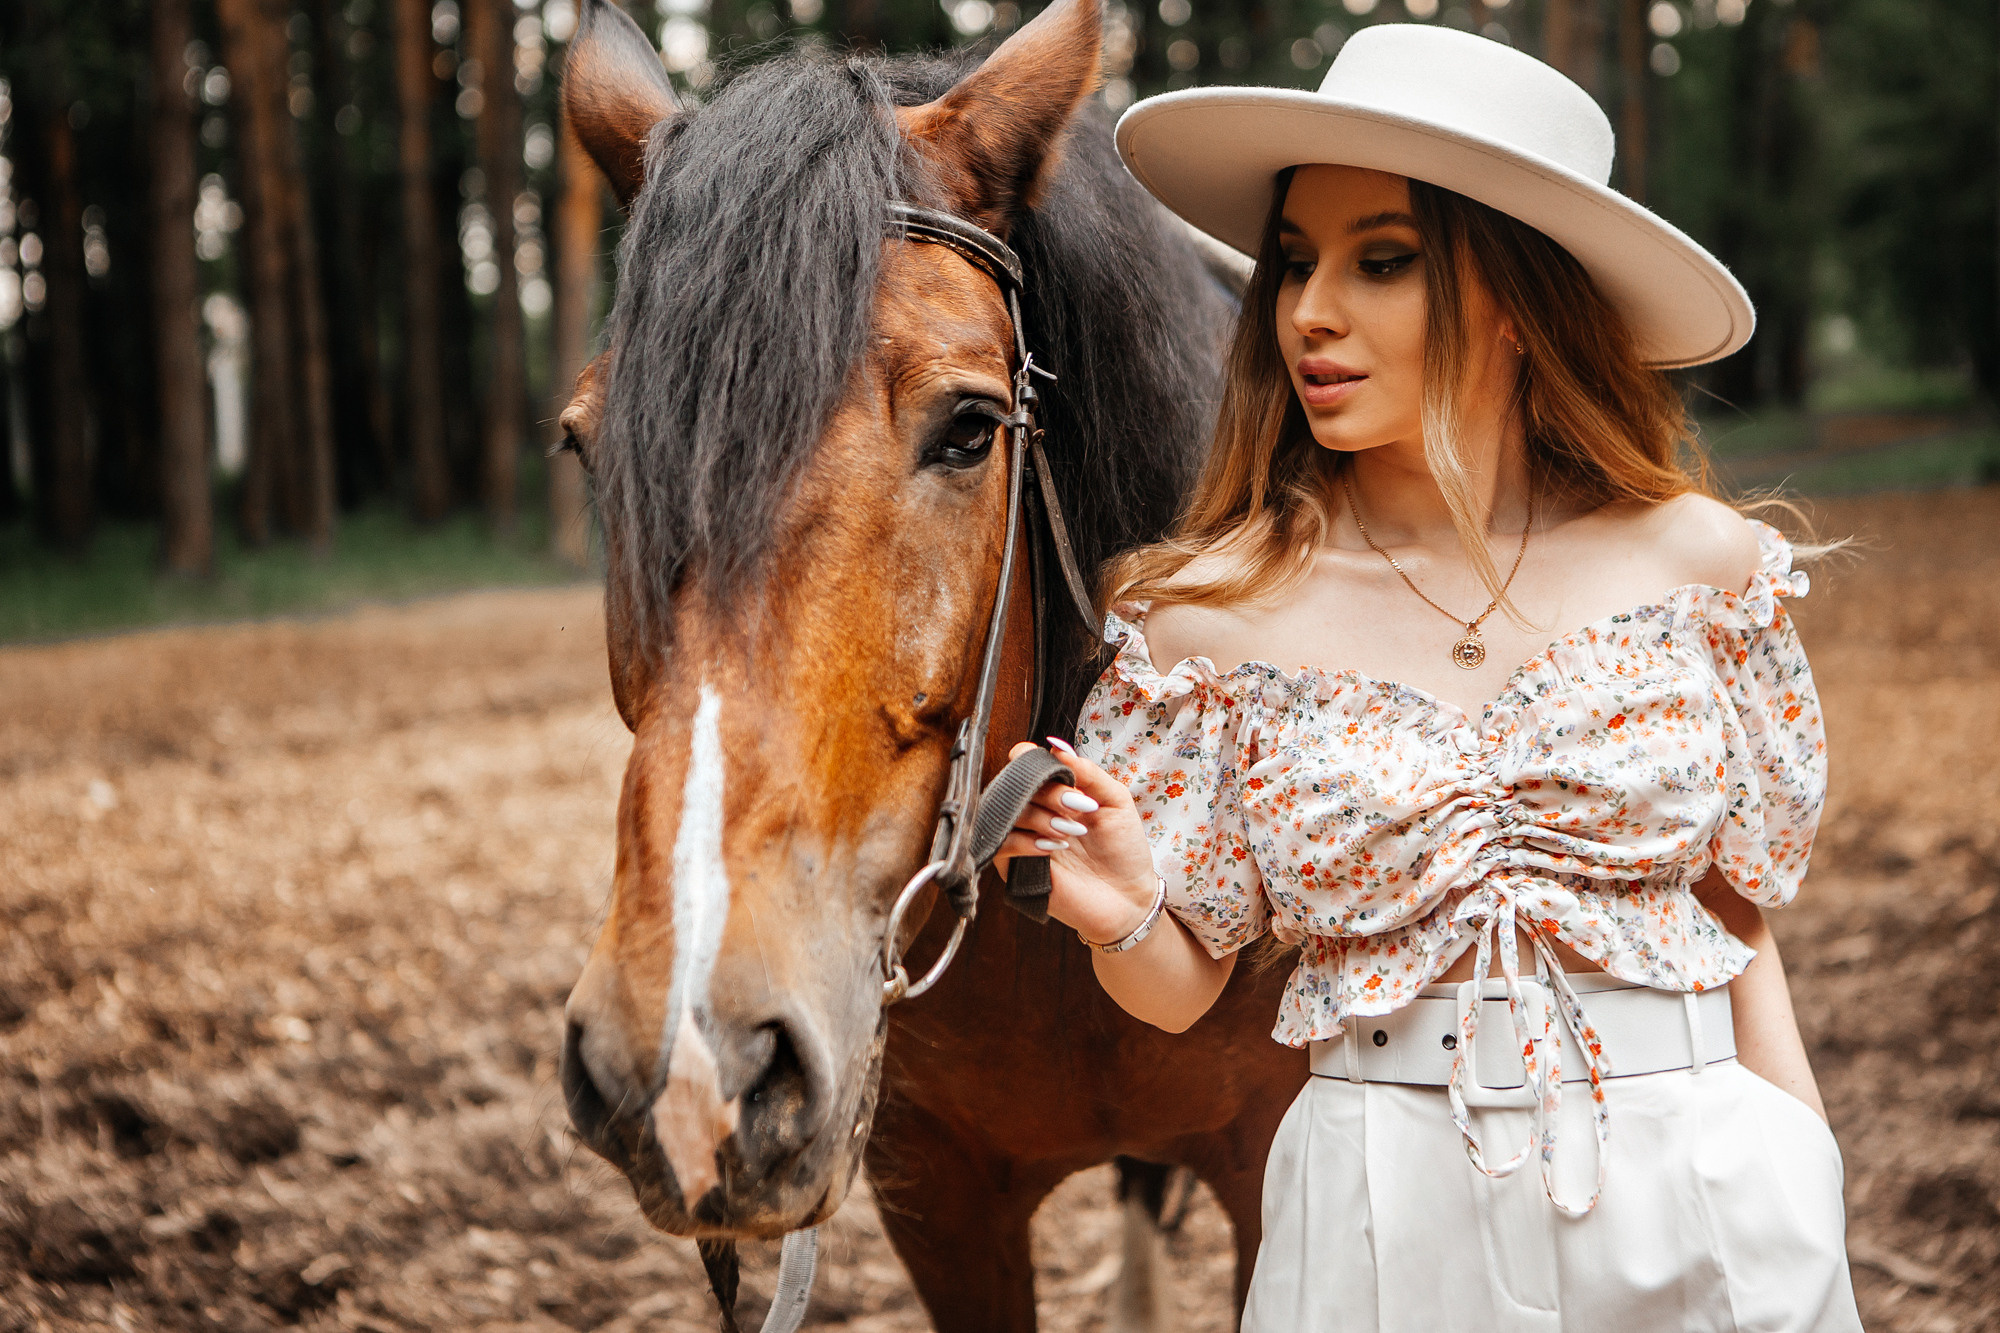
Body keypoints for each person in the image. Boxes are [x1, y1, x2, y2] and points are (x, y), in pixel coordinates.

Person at [993, 24, 1861, 1332]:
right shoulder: (1206, 623)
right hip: (1380, 1215)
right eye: (1294, 264)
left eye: (1380, 262)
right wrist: (1123, 910)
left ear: (1516, 299)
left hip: (1705, 1181)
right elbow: (1182, 983)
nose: (1307, 311)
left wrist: (1808, 1176)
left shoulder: (1699, 560)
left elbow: (1736, 916)